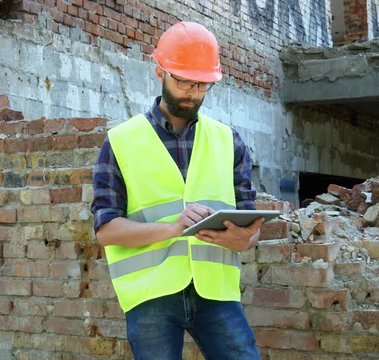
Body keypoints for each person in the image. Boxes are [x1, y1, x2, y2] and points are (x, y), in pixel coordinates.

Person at [91, 21, 263, 360]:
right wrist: (174, 229)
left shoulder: (228, 141)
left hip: (216, 291)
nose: (191, 91)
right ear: (159, 72)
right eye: (182, 80)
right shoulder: (121, 142)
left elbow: (249, 222)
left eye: (201, 84)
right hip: (151, 293)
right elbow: (106, 230)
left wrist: (244, 240)